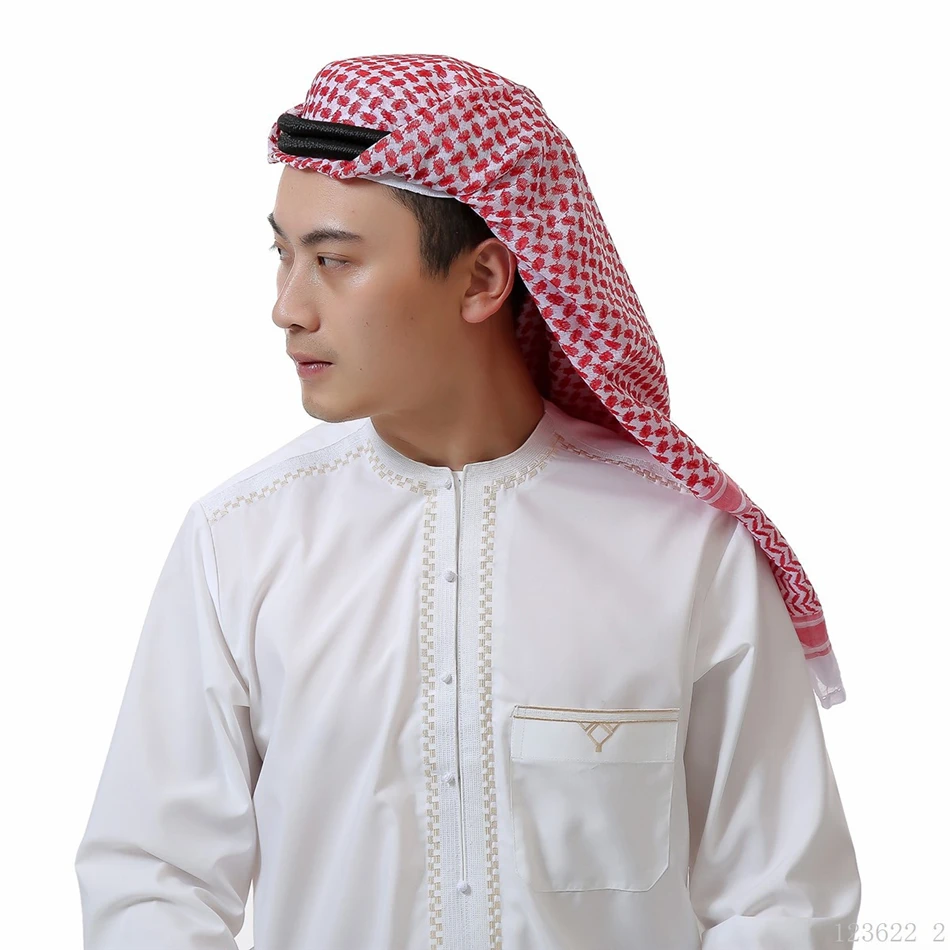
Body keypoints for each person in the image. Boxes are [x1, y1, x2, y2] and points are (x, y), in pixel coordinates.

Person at [74, 53, 861, 949]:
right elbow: (155, 882)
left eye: (333, 260)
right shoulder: (239, 542)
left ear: (484, 279)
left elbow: (783, 899)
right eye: (283, 255)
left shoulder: (685, 548)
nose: (288, 308)